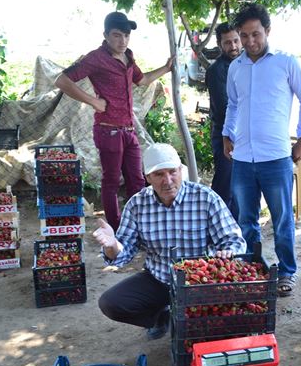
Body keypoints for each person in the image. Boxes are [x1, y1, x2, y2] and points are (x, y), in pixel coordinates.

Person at [93, 143, 246, 340]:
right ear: (147, 178)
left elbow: (232, 239)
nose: (168, 181)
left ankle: (185, 317)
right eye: (158, 174)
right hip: (159, 278)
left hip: (198, 282)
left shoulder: (205, 198)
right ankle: (160, 315)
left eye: (172, 172)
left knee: (201, 331)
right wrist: (112, 246)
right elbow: (123, 252)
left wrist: (227, 252)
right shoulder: (137, 205)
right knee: (111, 303)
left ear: (181, 170)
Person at [223, 3, 301, 297]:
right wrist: (227, 134)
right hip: (242, 158)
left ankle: (287, 271)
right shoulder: (235, 67)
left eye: (256, 34)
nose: (250, 41)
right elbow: (233, 105)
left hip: (276, 157)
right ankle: (253, 268)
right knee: (245, 220)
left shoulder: (285, 63)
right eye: (244, 35)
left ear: (268, 31)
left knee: (282, 218)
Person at [55, 11, 174, 232]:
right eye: (117, 35)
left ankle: (139, 225)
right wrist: (93, 101)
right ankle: (117, 229)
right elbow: (61, 80)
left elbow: (142, 80)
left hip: (129, 129)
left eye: (126, 36)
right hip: (108, 130)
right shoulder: (96, 58)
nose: (123, 41)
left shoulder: (128, 56)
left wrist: (165, 69)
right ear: (106, 35)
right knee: (111, 181)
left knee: (137, 180)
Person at [205, 22, 242, 220]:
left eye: (236, 40)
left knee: (239, 186)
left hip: (244, 136)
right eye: (228, 43)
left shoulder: (246, 64)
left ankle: (235, 230)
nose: (233, 46)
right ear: (220, 45)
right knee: (224, 185)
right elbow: (224, 108)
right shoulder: (217, 70)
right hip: (225, 136)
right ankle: (215, 226)